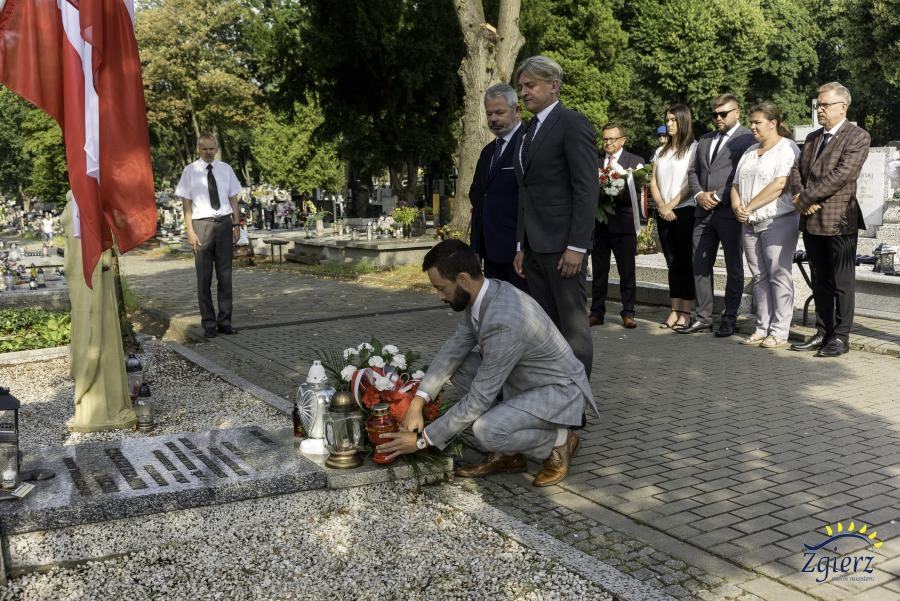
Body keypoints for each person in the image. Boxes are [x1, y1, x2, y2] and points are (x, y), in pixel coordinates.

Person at [377, 240, 596, 487]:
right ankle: (508, 454)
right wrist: (417, 403)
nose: (439, 296)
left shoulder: (504, 320)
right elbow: (452, 352)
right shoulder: (483, 295)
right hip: (525, 382)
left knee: (486, 430)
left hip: (558, 392)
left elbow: (479, 399)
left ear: (462, 279)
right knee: (457, 366)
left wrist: (422, 441)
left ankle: (560, 442)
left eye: (441, 288)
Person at [512, 55, 599, 378]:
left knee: (573, 330)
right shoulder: (527, 131)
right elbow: (526, 192)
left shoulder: (572, 123)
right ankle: (553, 393)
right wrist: (520, 245)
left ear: (553, 85)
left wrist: (577, 246)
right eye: (521, 86)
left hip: (564, 249)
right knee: (545, 330)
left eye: (530, 85)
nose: (523, 92)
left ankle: (577, 401)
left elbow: (586, 188)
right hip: (534, 248)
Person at [789, 82, 870, 357]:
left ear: (842, 107)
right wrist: (799, 196)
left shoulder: (857, 136)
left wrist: (805, 198)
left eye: (825, 105)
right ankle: (822, 331)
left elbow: (842, 175)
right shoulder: (813, 137)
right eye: (818, 105)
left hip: (839, 220)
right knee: (820, 278)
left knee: (841, 282)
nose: (820, 109)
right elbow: (796, 169)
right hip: (811, 220)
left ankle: (841, 337)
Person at [680, 94, 756, 337]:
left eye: (723, 114)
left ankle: (730, 317)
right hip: (702, 212)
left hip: (730, 212)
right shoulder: (704, 139)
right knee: (700, 264)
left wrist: (719, 196)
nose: (718, 118)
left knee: (734, 266)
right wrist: (699, 194)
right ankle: (703, 317)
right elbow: (693, 171)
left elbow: (743, 174)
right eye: (714, 114)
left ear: (737, 112)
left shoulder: (748, 138)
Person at [731, 102, 801, 348]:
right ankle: (762, 327)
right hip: (748, 222)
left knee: (778, 274)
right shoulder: (750, 151)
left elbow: (779, 184)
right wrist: (737, 207)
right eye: (751, 122)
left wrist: (749, 207)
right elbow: (736, 184)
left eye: (757, 122)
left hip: (777, 220)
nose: (752, 127)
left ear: (773, 123)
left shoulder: (787, 148)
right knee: (759, 276)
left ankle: (780, 331)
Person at [175, 133, 242, 339]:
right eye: (204, 149)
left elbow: (233, 199)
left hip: (224, 224)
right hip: (201, 225)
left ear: (216, 148)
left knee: (225, 276)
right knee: (204, 278)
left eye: (212, 148)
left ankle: (225, 322)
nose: (208, 152)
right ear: (198, 149)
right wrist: (190, 230)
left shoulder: (226, 169)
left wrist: (237, 225)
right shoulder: (190, 171)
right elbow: (186, 204)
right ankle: (209, 324)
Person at [469, 83, 527, 291]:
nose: (493, 119)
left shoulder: (529, 145)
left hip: (520, 255)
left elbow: (531, 201)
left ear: (517, 110)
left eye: (499, 112)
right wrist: (476, 248)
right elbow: (479, 201)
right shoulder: (487, 152)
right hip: (491, 254)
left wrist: (524, 247)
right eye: (489, 113)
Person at [590, 122, 645, 328]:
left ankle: (628, 312)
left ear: (622, 140)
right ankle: (597, 312)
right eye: (604, 139)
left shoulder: (635, 162)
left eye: (612, 139)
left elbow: (637, 193)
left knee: (627, 271)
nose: (607, 143)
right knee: (599, 272)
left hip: (624, 225)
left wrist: (619, 190)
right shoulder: (595, 161)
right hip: (600, 225)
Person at [651, 104, 698, 329]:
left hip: (684, 210)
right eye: (667, 120)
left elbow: (690, 182)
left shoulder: (693, 148)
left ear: (683, 121)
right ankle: (674, 309)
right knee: (671, 262)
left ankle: (686, 311)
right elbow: (653, 180)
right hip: (664, 211)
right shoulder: (661, 151)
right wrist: (662, 205)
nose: (668, 124)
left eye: (673, 120)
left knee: (685, 261)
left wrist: (671, 205)